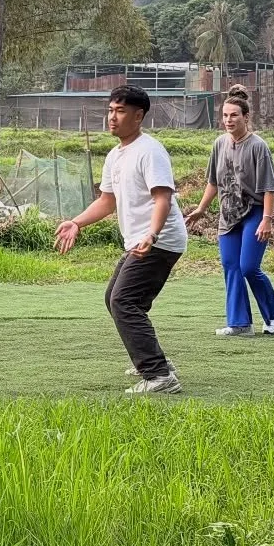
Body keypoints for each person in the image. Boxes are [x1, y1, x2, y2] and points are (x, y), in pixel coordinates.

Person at [54, 85, 188, 395]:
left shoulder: (151, 151)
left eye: (121, 111)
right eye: (111, 110)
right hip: (141, 241)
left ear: (138, 116)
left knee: (123, 300)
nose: (112, 118)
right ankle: (156, 362)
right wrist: (76, 222)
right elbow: (106, 202)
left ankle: (159, 376)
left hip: (160, 240)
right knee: (116, 299)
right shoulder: (115, 155)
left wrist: (151, 235)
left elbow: (162, 199)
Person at [184, 84, 274, 337]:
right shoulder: (219, 144)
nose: (229, 120)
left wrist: (267, 220)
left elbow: (270, 188)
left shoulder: (258, 146)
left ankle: (273, 313)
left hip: (255, 212)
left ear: (246, 117)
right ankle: (240, 324)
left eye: (234, 115)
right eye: (225, 115)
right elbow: (213, 183)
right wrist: (201, 209)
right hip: (228, 214)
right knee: (231, 266)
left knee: (249, 267)